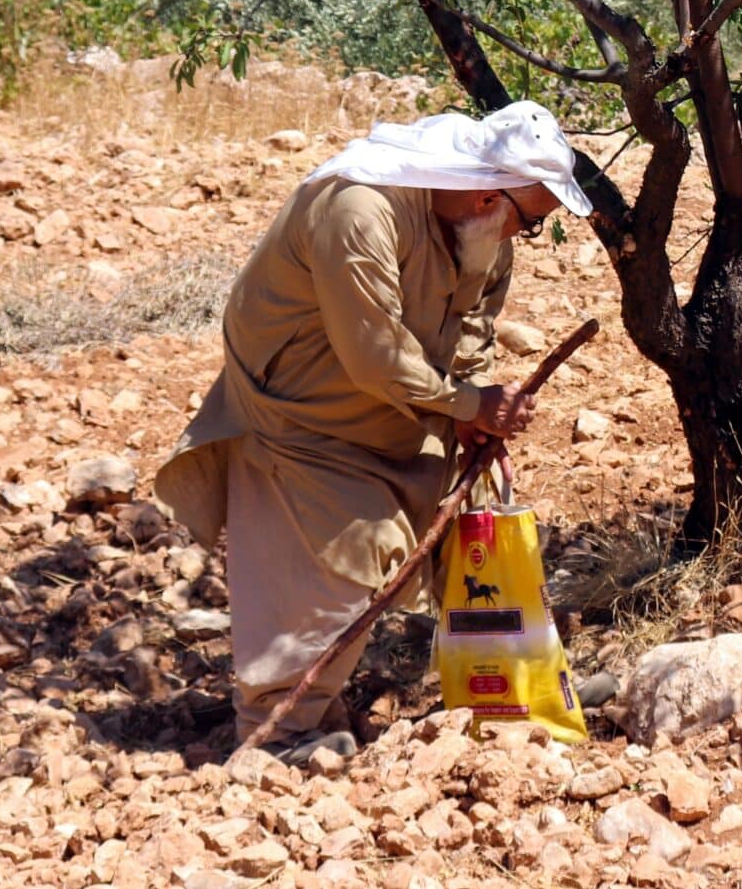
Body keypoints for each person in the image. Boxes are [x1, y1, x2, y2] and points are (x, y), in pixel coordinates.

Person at [152, 101, 591, 747]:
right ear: (486, 197)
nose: (521, 237)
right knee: (333, 571)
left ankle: (497, 707)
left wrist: (470, 406)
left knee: (463, 542)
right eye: (527, 222)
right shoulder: (360, 209)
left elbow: (472, 323)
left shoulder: (481, 233)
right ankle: (275, 740)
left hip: (402, 411)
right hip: (305, 421)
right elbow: (375, 355)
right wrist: (470, 405)